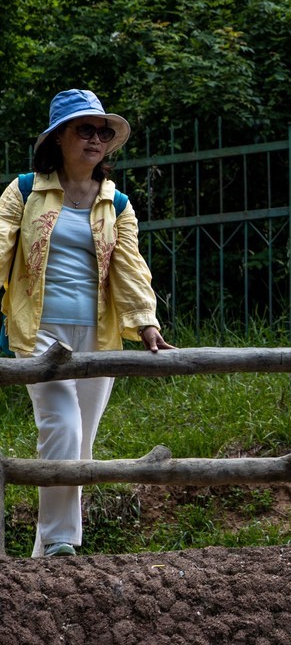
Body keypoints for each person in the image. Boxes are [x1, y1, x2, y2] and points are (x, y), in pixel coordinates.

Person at [0, 88, 175, 558]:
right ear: (59, 137)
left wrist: (146, 323)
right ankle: (62, 543)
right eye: (85, 129)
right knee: (63, 428)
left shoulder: (117, 203)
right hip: (40, 331)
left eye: (102, 131)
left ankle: (43, 560)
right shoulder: (24, 191)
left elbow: (129, 267)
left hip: (99, 335)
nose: (96, 138)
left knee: (80, 449)